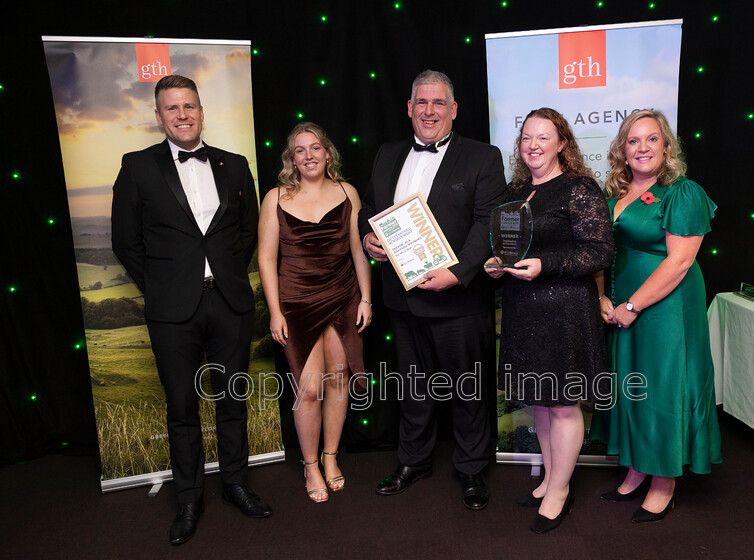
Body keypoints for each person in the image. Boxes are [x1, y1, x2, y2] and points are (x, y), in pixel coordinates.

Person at [111, 75, 271, 545]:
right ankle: (188, 498)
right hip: (171, 308)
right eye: (172, 108)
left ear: (201, 112)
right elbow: (126, 240)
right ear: (158, 116)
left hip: (229, 302)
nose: (182, 115)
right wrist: (162, 286)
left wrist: (222, 274)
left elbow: (248, 231)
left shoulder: (236, 164)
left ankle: (236, 484)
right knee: (181, 407)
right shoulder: (137, 166)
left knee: (232, 399)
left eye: (190, 106)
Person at [358, 69, 507, 510]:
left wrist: (458, 272)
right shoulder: (387, 154)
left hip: (458, 298)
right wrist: (369, 238)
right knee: (413, 387)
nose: (429, 110)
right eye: (421, 102)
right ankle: (414, 460)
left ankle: (472, 468)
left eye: (438, 103)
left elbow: (489, 221)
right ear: (409, 108)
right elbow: (371, 207)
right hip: (402, 299)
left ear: (454, 109)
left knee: (467, 389)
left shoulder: (483, 156)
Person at [484, 108, 613, 533]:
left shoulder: (579, 188)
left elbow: (599, 252)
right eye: (526, 138)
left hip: (565, 312)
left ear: (562, 143)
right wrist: (499, 265)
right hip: (524, 308)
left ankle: (560, 489)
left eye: (543, 137)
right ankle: (551, 477)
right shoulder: (518, 192)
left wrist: (547, 264)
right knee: (540, 401)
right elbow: (515, 249)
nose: (533, 145)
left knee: (562, 406)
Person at [592, 109, 722, 523]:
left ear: (667, 146)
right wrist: (602, 297)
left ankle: (664, 479)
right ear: (622, 150)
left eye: (651, 139)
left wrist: (633, 305)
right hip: (623, 305)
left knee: (664, 387)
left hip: (666, 306)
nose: (642, 148)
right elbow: (601, 253)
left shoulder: (682, 192)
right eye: (633, 141)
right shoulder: (614, 192)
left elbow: (680, 262)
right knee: (635, 384)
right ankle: (638, 466)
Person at [257, 122, 371, 503]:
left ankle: (330, 456)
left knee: (338, 378)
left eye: (315, 148)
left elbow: (358, 250)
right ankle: (309, 465)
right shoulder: (274, 197)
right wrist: (275, 311)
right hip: (296, 302)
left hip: (342, 296)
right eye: (300, 150)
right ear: (292, 158)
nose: (308, 156)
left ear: (327, 153)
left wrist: (366, 299)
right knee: (309, 389)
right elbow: (267, 257)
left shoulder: (347, 192)